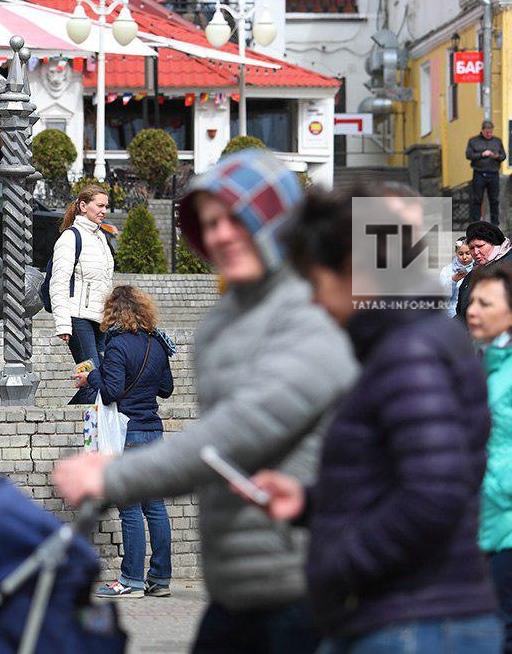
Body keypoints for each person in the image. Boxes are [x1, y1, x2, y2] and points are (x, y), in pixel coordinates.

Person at [52, 150, 357, 653]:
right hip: (236, 584)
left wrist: (113, 476)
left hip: (304, 577)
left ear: (276, 223)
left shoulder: (309, 313)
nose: (219, 235)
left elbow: (245, 428)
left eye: (236, 219)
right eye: (208, 223)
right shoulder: (221, 323)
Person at [252, 187, 499, 653]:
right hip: (400, 616)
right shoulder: (401, 341)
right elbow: (405, 475)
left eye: (313, 279)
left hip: (412, 622)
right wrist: (310, 503)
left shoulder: (410, 349)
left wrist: (339, 564)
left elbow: (433, 494)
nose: (309, 298)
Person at [76, 285, 175, 599]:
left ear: (114, 312)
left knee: (130, 510)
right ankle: (159, 579)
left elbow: (113, 390)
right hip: (153, 431)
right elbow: (167, 388)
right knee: (155, 508)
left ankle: (130, 580)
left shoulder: (117, 345)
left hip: (126, 433)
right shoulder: (158, 343)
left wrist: (90, 377)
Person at [466, 266, 512, 652]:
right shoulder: (488, 363)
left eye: (485, 303)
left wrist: (495, 488)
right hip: (487, 525)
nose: (471, 310)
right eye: (472, 301)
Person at [51, 184, 114, 405]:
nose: (104, 211)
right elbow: (57, 282)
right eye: (100, 205)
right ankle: (59, 425)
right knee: (93, 378)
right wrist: (63, 324)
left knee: (100, 379)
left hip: (100, 321)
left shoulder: (101, 238)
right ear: (83, 206)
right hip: (78, 319)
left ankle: (71, 426)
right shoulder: (71, 237)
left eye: (106, 206)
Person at [455, 221, 511, 324]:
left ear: (495, 244)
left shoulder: (507, 268)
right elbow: (461, 313)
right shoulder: (475, 271)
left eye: (480, 246)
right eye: (471, 248)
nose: (475, 252)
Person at [467, 120, 506, 224]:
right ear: (482, 130)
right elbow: (468, 155)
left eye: (491, 132)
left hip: (493, 174)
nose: (489, 134)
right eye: (487, 132)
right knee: (477, 199)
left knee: (494, 200)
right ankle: (475, 223)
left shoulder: (497, 141)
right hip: (479, 173)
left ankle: (495, 224)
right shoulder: (473, 141)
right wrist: (482, 154)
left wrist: (497, 156)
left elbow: (503, 156)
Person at [440, 237, 474, 317]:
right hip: (453, 315)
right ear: (456, 252)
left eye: (468, 253)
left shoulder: (478, 268)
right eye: (461, 254)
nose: (464, 257)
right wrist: (453, 280)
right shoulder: (447, 270)